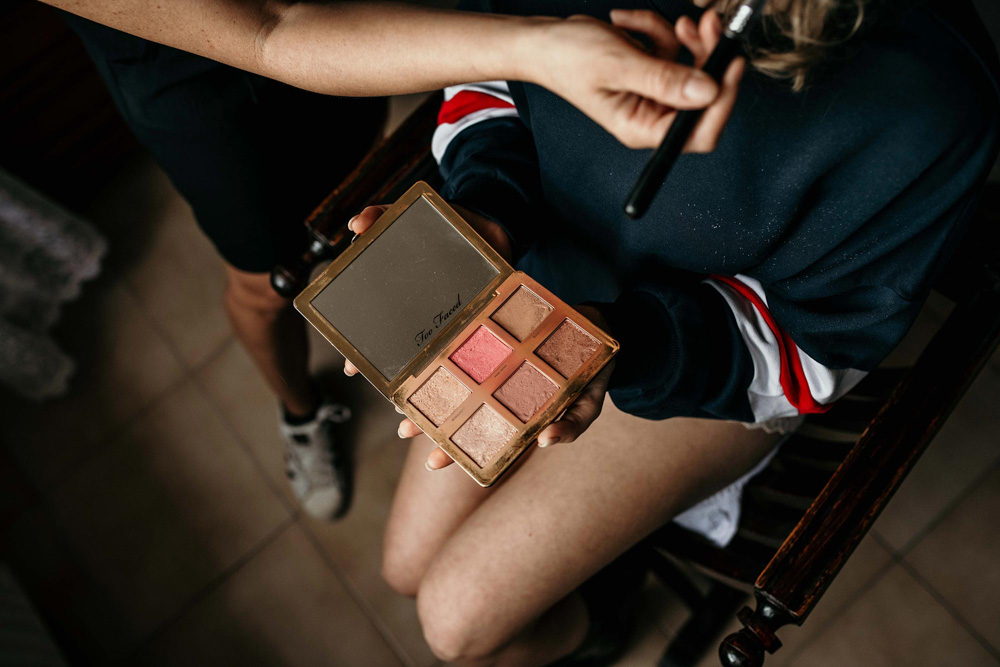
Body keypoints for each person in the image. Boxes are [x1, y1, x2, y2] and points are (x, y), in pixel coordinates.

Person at [345, 0, 1000, 663]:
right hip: (541, 270)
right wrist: (486, 210)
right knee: (405, 563)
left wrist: (631, 342)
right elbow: (488, 73)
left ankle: (597, 625)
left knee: (457, 620)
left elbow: (813, 346)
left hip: (705, 360)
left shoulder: (932, 96)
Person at [43, 0, 739, 520]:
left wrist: (484, 204)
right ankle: (300, 410)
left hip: (348, 35)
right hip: (203, 90)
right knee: (266, 280)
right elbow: (271, 27)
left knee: (364, 190)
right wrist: (533, 49)